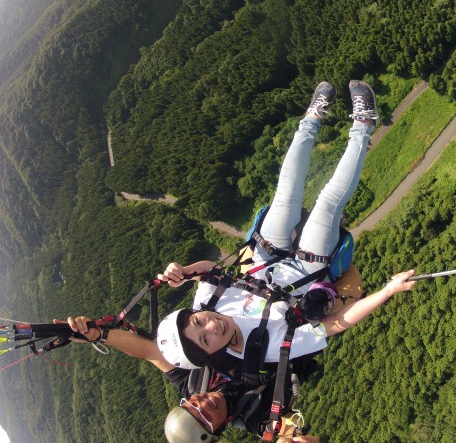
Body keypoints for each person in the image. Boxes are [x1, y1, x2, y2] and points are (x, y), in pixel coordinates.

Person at [155, 81, 416, 374]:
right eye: (206, 339)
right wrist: (388, 291)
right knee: (328, 202)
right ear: (211, 355)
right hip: (308, 270)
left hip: (265, 255)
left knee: (287, 189)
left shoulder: (206, 302)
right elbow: (335, 325)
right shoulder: (263, 347)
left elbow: (209, 269)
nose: (212, 325)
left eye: (199, 321)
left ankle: (312, 118)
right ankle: (364, 124)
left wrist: (184, 272)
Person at [56, 317, 319, 442]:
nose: (203, 406)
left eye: (192, 406)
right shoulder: (256, 416)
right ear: (216, 430)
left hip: (257, 313)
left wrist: (97, 335)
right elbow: (285, 434)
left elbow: (148, 351)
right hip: (306, 328)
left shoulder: (193, 382)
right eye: (204, 419)